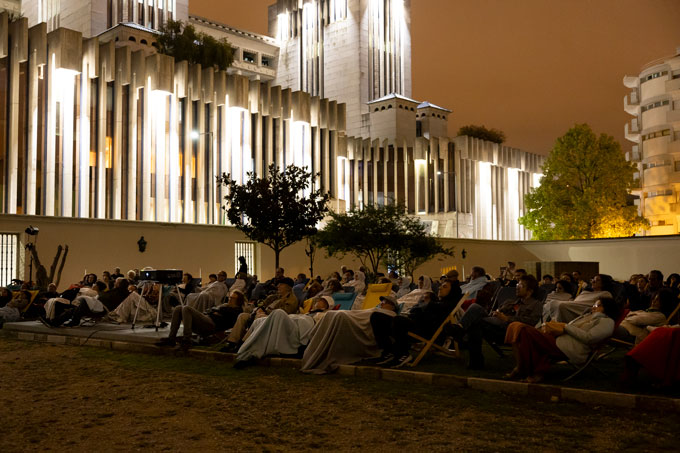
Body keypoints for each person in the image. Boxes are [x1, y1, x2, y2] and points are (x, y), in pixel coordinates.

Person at [505, 296, 619, 383]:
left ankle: (523, 369)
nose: (593, 307)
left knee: (523, 329)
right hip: (558, 340)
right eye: (594, 305)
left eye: (597, 306)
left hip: (567, 348)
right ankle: (523, 368)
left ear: (607, 308)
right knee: (515, 326)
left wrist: (565, 327)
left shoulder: (607, 322)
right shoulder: (587, 316)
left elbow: (589, 338)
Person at [449, 275, 542, 369]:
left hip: (510, 331)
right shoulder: (510, 302)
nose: (517, 287)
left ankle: (473, 356)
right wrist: (496, 313)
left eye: (521, 285)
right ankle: (460, 329)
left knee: (476, 324)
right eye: (517, 284)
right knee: (475, 307)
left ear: (530, 291)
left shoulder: (536, 305)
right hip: (494, 324)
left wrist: (507, 318)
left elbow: (531, 322)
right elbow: (497, 311)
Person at [370, 279, 463, 367]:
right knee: (377, 316)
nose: (439, 288)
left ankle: (403, 354)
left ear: (452, 291)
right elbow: (417, 310)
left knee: (398, 320)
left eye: (445, 287)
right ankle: (388, 351)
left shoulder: (447, 305)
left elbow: (427, 316)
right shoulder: (438, 304)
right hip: (416, 324)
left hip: (424, 331)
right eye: (441, 286)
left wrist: (422, 307)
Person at [300, 295, 399, 374]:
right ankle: (312, 347)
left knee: (339, 315)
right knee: (331, 314)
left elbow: (368, 319)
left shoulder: (390, 315)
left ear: (392, 306)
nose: (381, 303)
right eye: (382, 301)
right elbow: (361, 313)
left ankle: (318, 349)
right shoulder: (377, 310)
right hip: (355, 317)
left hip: (359, 323)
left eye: (385, 302)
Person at [233, 296, 333, 367]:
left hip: (300, 328)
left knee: (279, 313)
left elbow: (320, 326)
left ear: (326, 305)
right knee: (259, 320)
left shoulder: (325, 314)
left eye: (321, 301)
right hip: (295, 322)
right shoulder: (307, 312)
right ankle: (244, 346)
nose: (317, 301)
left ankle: (252, 351)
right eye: (319, 300)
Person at [222, 277, 298, 351]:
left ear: (288, 287)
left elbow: (283, 313)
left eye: (281, 285)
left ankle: (244, 343)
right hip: (263, 314)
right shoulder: (275, 297)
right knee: (243, 316)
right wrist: (260, 308)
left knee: (259, 317)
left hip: (273, 319)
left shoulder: (292, 299)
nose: (278, 286)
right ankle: (232, 342)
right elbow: (263, 304)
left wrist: (265, 312)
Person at [157, 290, 246, 348]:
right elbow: (209, 310)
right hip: (206, 319)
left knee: (187, 308)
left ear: (238, 300)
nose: (230, 299)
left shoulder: (237, 311)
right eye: (230, 297)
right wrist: (216, 311)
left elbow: (224, 316)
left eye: (233, 298)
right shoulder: (225, 306)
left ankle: (187, 340)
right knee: (178, 308)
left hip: (212, 325)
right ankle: (171, 338)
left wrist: (218, 311)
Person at [544, 274, 613, 323]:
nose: (593, 281)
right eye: (593, 280)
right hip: (574, 306)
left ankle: (558, 326)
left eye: (597, 280)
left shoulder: (606, 294)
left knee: (561, 305)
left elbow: (602, 308)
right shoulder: (585, 292)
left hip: (583, 310)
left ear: (603, 283)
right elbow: (576, 301)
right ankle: (550, 324)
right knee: (553, 303)